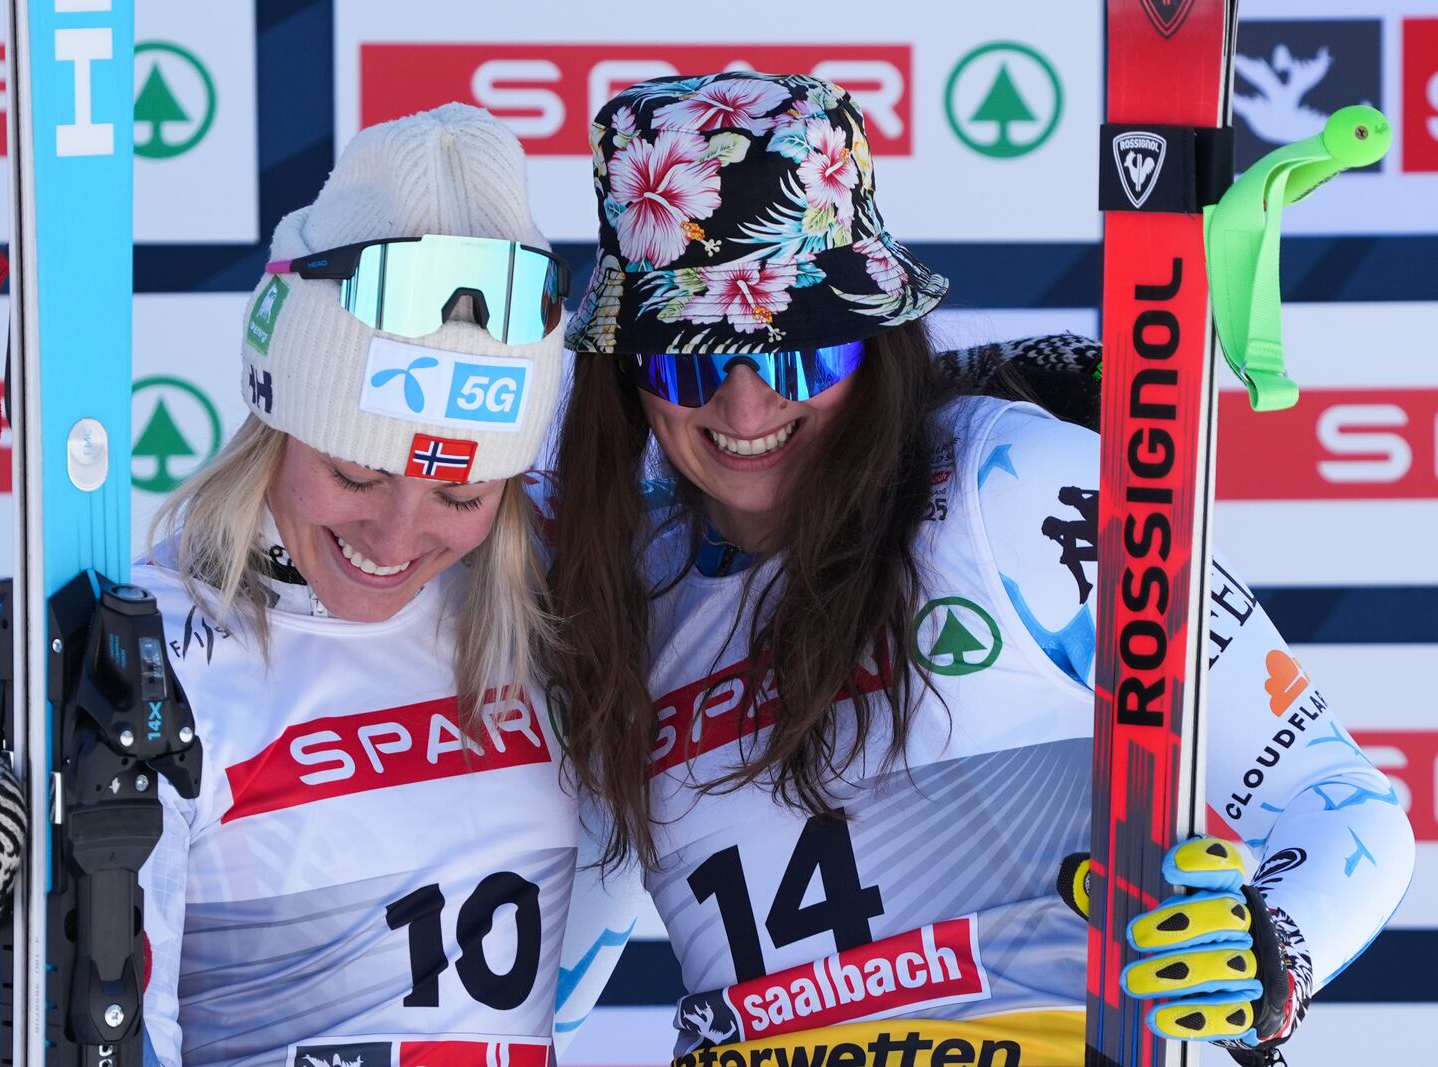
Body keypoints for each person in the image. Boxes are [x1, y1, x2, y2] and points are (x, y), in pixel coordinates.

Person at [543, 71, 1414, 1067]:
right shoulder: (618, 594)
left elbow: (1335, 796)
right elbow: (550, 982)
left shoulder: (1011, 484)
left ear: (872, 337)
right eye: (690, 360)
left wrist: (1271, 949)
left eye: (800, 359)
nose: (745, 414)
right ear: (627, 374)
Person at [0, 104, 638, 1067]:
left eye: (460, 492)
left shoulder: (558, 607)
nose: (398, 534)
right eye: (354, 473)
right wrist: (41, 878)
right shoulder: (156, 650)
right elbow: (115, 1020)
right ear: (274, 417)